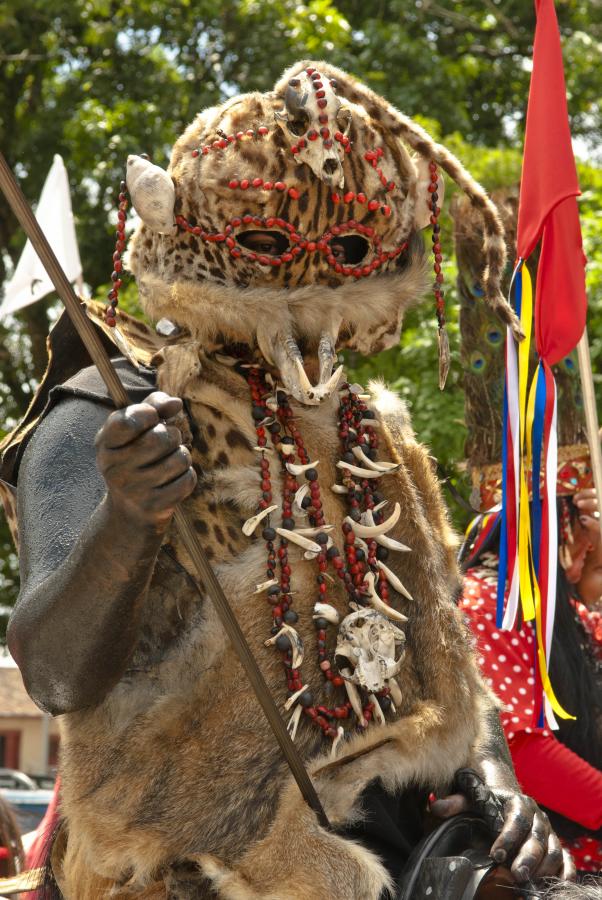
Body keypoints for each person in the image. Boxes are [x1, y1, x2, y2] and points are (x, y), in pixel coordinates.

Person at [1, 63, 572, 898]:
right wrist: (126, 519)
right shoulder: (107, 406)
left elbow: (440, 656)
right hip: (182, 857)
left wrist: (495, 782)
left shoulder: (372, 430)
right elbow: (52, 672)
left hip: (404, 838)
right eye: (270, 245)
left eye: (344, 252)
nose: (310, 277)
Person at [452, 190, 602, 877]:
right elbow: (518, 748)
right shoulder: (492, 602)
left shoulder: (562, 608)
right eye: (580, 514)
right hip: (547, 866)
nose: (590, 531)